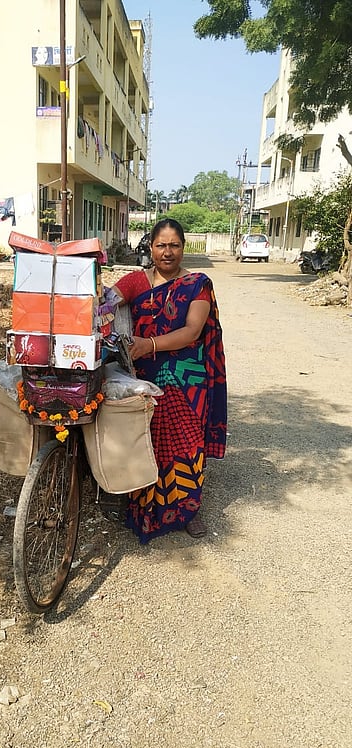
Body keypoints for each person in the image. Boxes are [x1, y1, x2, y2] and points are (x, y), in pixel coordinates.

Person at [113, 218, 227, 545]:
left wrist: (148, 344)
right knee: (146, 440)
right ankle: (145, 504)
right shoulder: (136, 281)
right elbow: (103, 306)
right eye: (161, 245)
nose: (167, 252)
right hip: (143, 377)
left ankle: (189, 510)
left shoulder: (197, 284)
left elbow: (192, 330)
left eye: (174, 245)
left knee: (188, 441)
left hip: (186, 376)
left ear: (183, 247)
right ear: (150, 247)